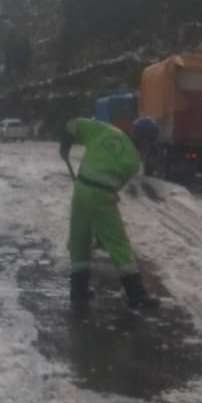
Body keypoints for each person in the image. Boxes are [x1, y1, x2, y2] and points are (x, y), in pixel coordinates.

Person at [59, 115, 160, 308]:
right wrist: (103, 234)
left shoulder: (105, 131)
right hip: (102, 198)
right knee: (118, 243)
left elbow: (71, 123)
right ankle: (136, 294)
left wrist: (65, 144)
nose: (147, 147)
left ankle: (78, 289)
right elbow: (108, 186)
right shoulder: (133, 162)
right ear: (146, 140)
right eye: (148, 143)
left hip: (80, 191)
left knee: (80, 238)